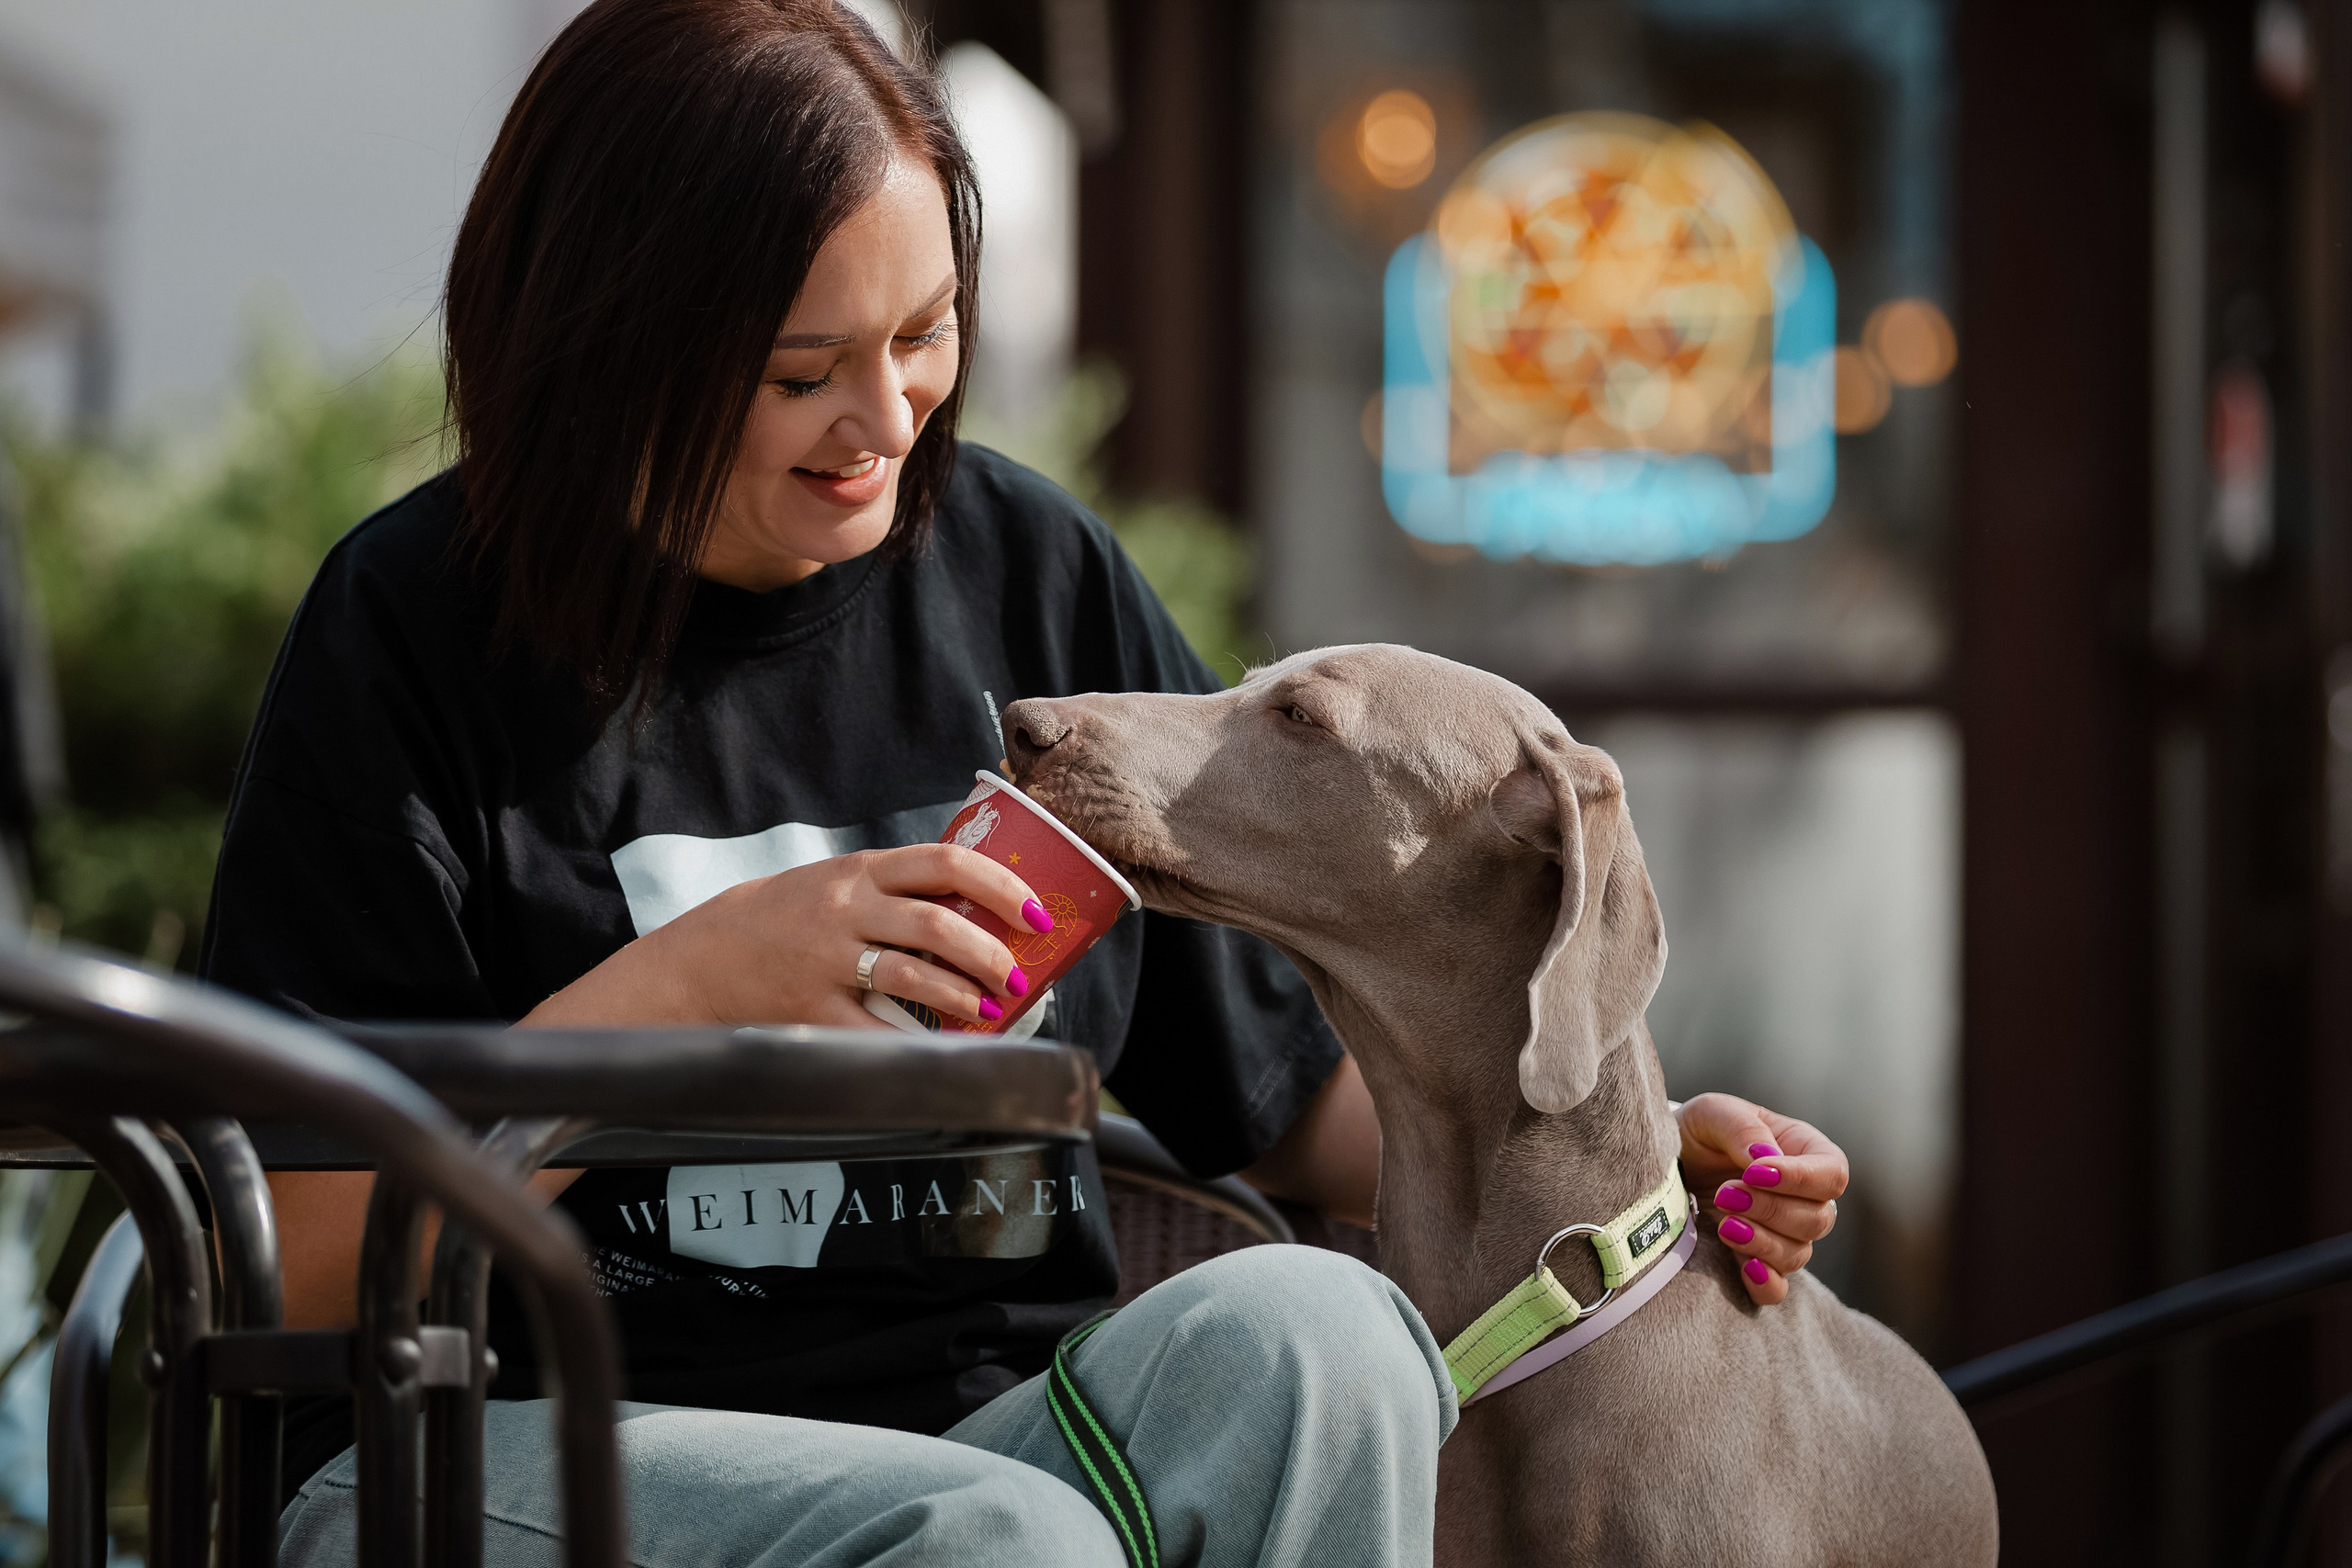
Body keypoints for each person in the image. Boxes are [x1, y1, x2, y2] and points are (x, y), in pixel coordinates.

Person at [201, 3, 1850, 1564]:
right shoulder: (409, 633)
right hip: (511, 1455)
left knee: (1326, 1329)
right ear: (610, 340)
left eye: (925, 335)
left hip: (995, 1449)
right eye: (800, 372)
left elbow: (1280, 1102)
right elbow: (305, 1252)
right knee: (1005, 1543)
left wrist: (1632, 1155)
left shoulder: (1021, 571)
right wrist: (693, 994)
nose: (885, 419)